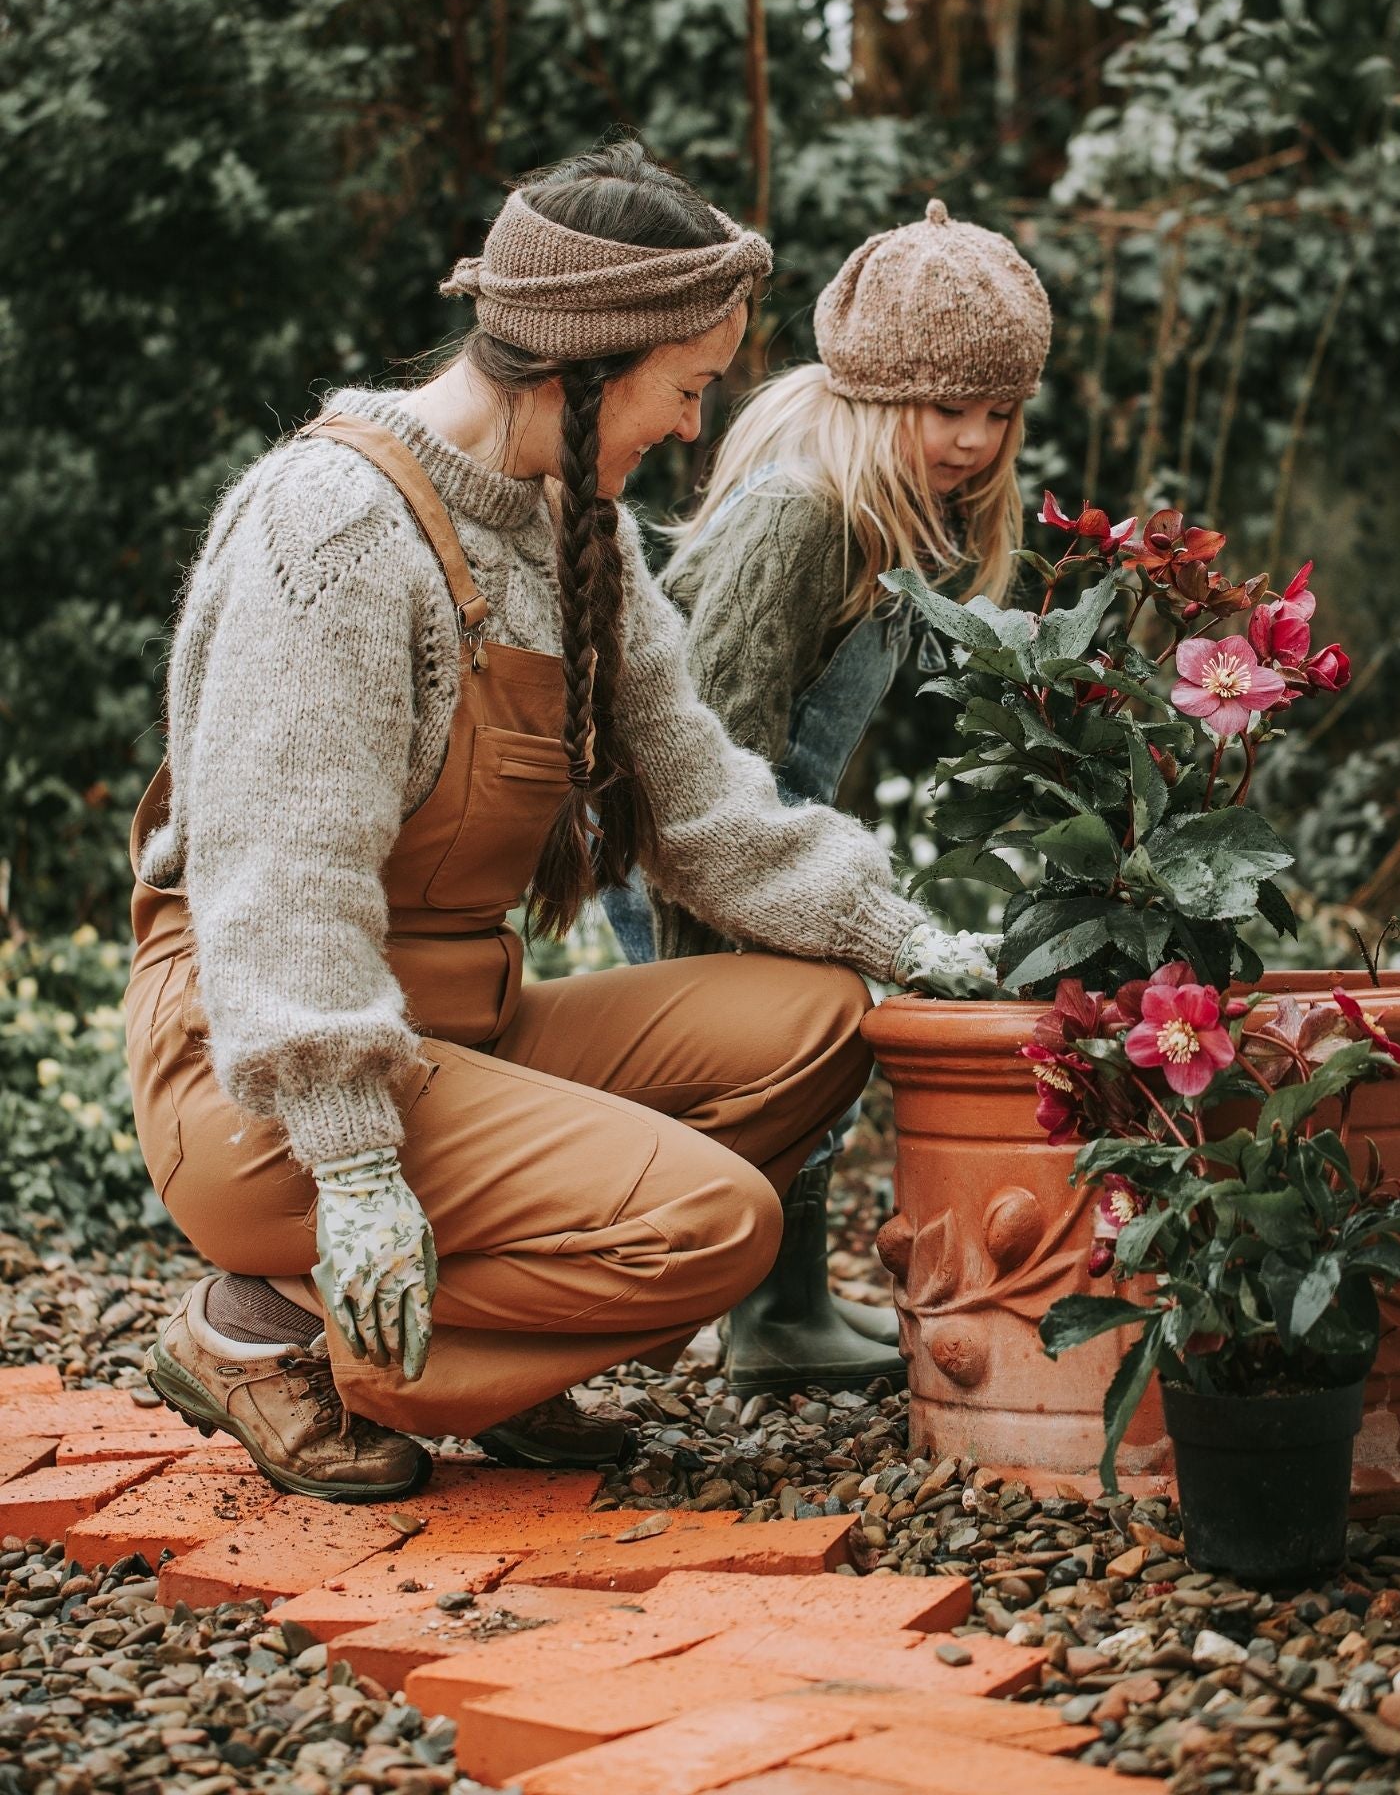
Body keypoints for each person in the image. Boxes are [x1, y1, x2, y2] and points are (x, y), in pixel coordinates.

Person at [125, 139, 1000, 1501]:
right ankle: (273, 1332)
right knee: (720, 1227)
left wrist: (905, 939)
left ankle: (500, 1357)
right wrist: (354, 1170)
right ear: (595, 360)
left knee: (824, 1021)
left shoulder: (571, 531)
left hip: (461, 1031)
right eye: (691, 387)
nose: (698, 429)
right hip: (271, 1087)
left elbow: (704, 809)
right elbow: (281, 887)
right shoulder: (335, 525)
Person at [604, 199, 1052, 1393]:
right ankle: (765, 1318)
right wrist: (720, 949)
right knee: (787, 1057)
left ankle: (789, 1303)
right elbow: (703, 745)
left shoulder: (886, 511)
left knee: (819, 1049)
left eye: (997, 413)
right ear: (870, 394)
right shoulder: (801, 513)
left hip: (756, 826)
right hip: (692, 837)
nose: (971, 440)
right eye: (945, 408)